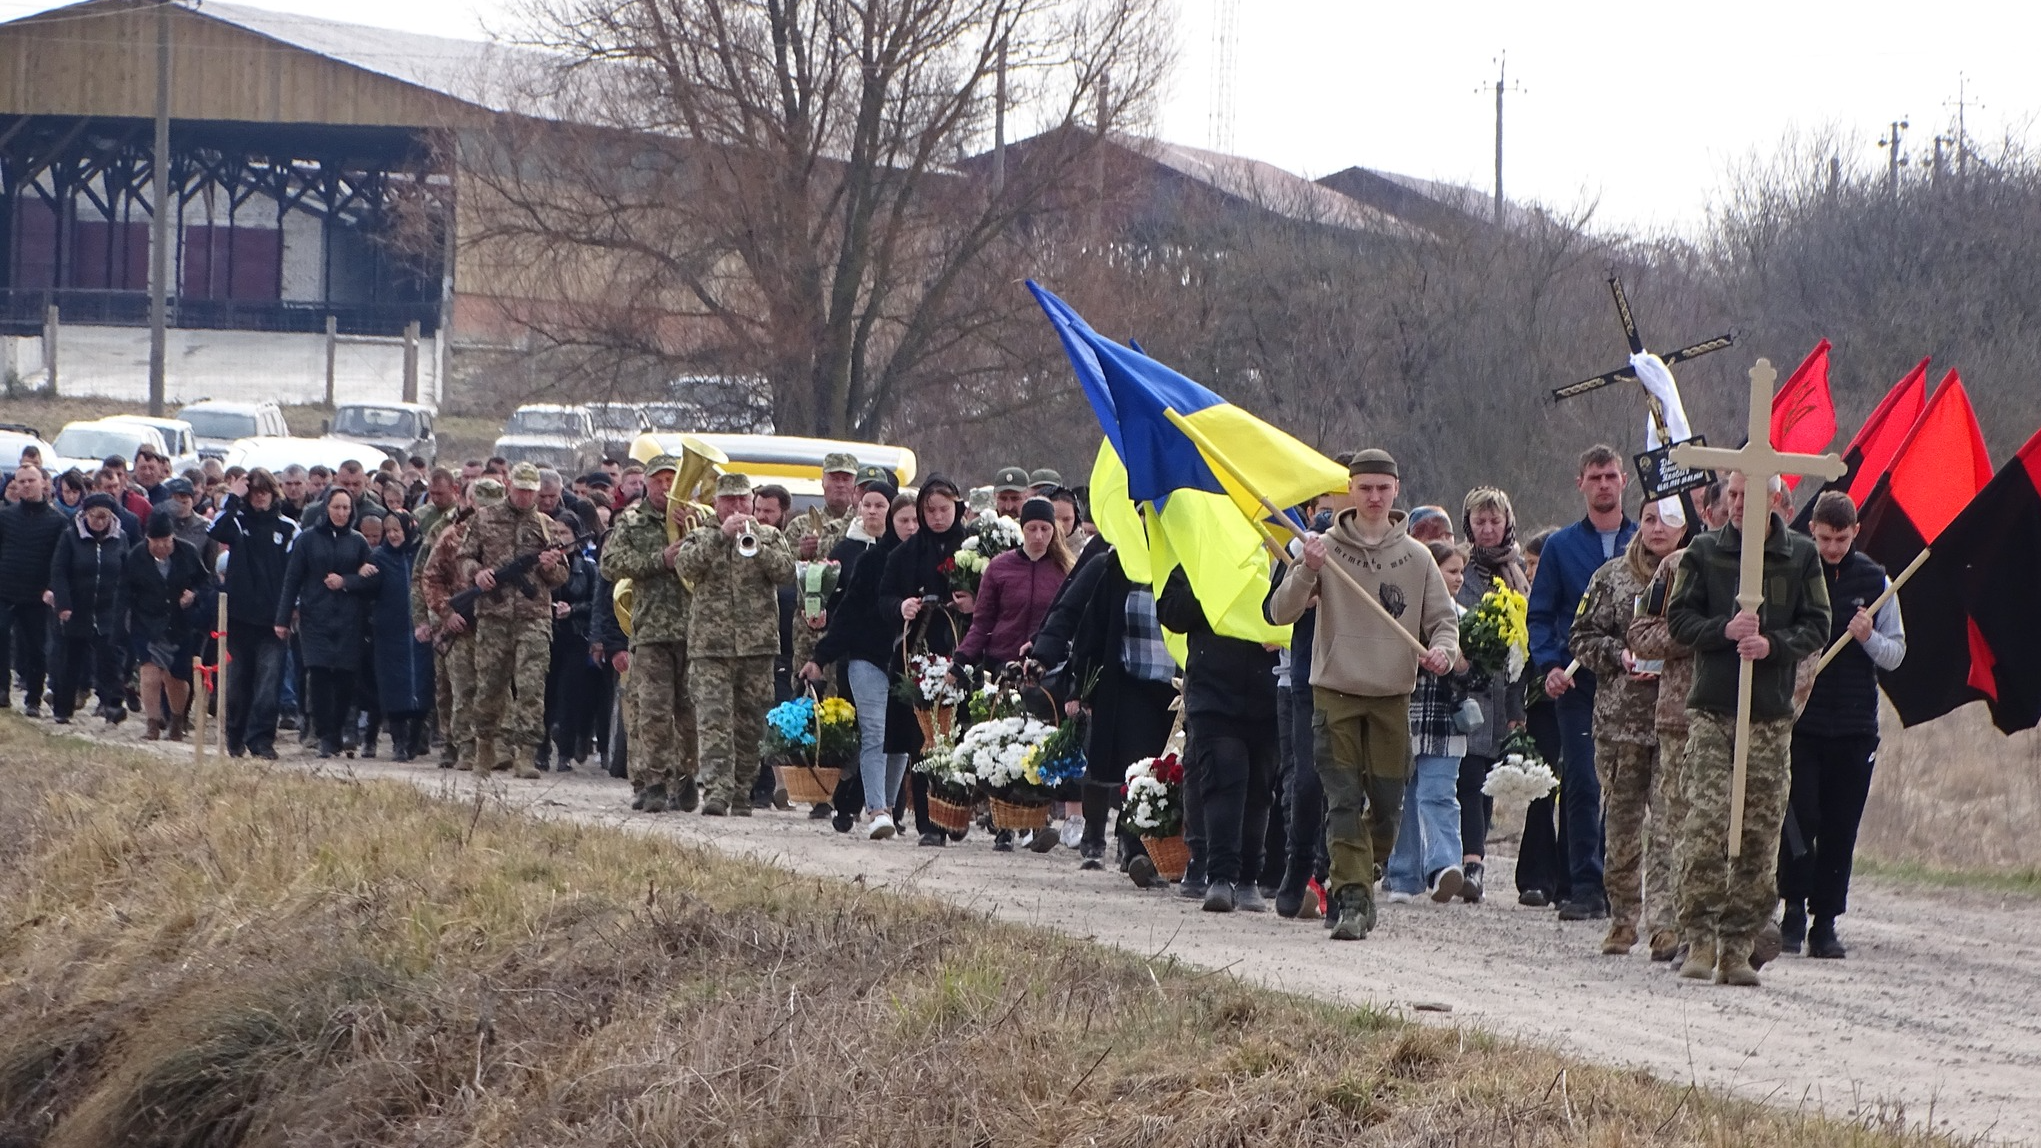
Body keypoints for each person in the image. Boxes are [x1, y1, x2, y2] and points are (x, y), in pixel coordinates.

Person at [1268, 449, 1459, 940]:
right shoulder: (1322, 547)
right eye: (1364, 487)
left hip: (1392, 696)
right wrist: (1306, 569)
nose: (1374, 497)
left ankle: (1355, 872)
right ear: (1349, 490)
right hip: (1335, 692)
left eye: (1383, 488)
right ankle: (1351, 901)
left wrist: (1441, 650)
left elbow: (1443, 621)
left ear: (1396, 490)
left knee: (1389, 805)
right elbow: (1281, 611)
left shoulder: (1416, 558)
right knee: (1343, 800)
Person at [1668, 471, 1829, 986]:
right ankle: (1698, 938)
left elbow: (1818, 624)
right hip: (1714, 710)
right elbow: (1678, 620)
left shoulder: (1800, 555)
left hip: (1769, 715)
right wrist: (1722, 630)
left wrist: (1773, 645)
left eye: (1749, 494)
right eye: (1731, 494)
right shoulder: (1703, 552)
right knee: (1707, 824)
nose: (1737, 503)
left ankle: (1738, 946)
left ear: (1776, 499)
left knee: (1759, 833)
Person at [1781, 491, 1906, 959]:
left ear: (1855, 532)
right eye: (1825, 538)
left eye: (1842, 538)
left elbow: (1896, 655)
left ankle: (1825, 920)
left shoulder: (1877, 581)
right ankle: (1792, 908)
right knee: (1800, 817)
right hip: (1802, 720)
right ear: (1812, 529)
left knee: (1840, 825)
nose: (1833, 547)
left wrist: (1869, 638)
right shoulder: (1794, 570)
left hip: (1855, 726)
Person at [1527, 445, 1638, 921]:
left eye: (1611, 476)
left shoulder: (1647, 540)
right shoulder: (1561, 547)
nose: (1604, 484)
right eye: (1595, 477)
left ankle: (1624, 881)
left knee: (1628, 786)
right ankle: (1586, 884)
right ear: (1581, 484)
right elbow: (1541, 613)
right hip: (1577, 684)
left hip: (1635, 684)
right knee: (1581, 782)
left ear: (1624, 482)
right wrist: (1549, 664)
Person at [1569, 500, 1683, 955]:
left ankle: (1665, 923)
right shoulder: (1612, 576)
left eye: (1669, 519)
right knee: (1621, 825)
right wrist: (1620, 655)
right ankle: (1622, 918)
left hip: (1675, 720)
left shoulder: (1697, 574)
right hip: (1621, 724)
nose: (1657, 528)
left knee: (1669, 826)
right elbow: (1581, 636)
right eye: (1650, 518)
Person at [1157, 564, 1280, 913]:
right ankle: (1220, 876)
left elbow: (1302, 605)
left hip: (1268, 690)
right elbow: (1170, 612)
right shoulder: (1201, 555)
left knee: (1259, 788)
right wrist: (1210, 582)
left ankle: (1249, 878)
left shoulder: (1280, 555)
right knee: (1222, 780)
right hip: (1213, 691)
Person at [676, 473, 796, 816]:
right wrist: (721, 537)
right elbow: (686, 568)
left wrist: (755, 544)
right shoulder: (700, 535)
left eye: (744, 500)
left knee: (751, 724)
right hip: (710, 648)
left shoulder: (769, 535)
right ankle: (716, 791)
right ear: (716, 504)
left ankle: (742, 791)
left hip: (757, 647)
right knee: (713, 721)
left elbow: (787, 573)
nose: (738, 507)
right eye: (729, 501)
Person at [805, 478, 912, 838]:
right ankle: (876, 809)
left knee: (901, 741)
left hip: (909, 663)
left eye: (915, 521)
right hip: (867, 657)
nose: (909, 528)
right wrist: (821, 656)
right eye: (904, 521)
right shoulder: (870, 560)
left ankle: (891, 806)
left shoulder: (929, 562)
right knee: (874, 733)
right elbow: (846, 612)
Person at [597, 455, 701, 812]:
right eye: (659, 480)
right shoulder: (632, 522)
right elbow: (610, 565)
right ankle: (654, 782)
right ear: (647, 484)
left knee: (690, 713)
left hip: (694, 631)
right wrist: (660, 560)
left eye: (674, 479)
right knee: (654, 712)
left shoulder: (698, 520)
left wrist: (692, 535)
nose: (667, 486)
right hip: (651, 631)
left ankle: (686, 777)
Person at [457, 462, 568, 778]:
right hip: (493, 615)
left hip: (534, 617)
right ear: (509, 486)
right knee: (490, 685)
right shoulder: (484, 519)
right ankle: (485, 749)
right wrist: (477, 574)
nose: (525, 496)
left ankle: (526, 754)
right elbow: (464, 557)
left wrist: (549, 566)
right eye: (520, 489)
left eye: (530, 491)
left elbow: (562, 576)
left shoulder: (546, 526)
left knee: (531, 686)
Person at [878, 475, 970, 844]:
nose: (936, 517)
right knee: (922, 737)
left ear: (957, 508)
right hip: (918, 651)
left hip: (964, 647)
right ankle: (929, 823)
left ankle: (958, 809)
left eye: (943, 509)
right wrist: (902, 606)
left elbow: (998, 597)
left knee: (961, 733)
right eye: (929, 510)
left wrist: (973, 604)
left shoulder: (974, 547)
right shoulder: (904, 554)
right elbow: (883, 598)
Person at [1383, 540, 1473, 905]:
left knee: (1438, 795)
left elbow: (1479, 678)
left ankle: (1444, 867)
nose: (1457, 578)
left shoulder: (1465, 617)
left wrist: (1462, 663)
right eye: (1449, 570)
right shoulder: (1396, 610)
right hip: (1401, 718)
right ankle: (1403, 876)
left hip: (1443, 725)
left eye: (1460, 571)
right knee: (1402, 799)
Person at [1454, 487, 1529, 904]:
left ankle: (1476, 854)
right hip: (1468, 687)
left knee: (1487, 781)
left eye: (1493, 521)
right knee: (1468, 776)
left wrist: (1519, 706)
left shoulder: (1516, 573)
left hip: (1507, 689)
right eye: (1479, 522)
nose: (1486, 529)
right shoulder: (1459, 571)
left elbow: (1524, 638)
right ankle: (1472, 862)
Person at [276, 487, 378, 758]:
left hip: (348, 619)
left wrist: (347, 581)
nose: (341, 513)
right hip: (315, 618)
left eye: (346, 508)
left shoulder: (358, 542)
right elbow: (292, 579)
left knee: (344, 678)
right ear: (325, 509)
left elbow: (372, 579)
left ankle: (339, 730)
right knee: (318, 676)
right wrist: (283, 618)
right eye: (336, 507)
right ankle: (324, 734)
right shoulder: (308, 540)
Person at [209, 468, 297, 758]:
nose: (259, 497)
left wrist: (290, 611)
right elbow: (216, 531)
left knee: (268, 684)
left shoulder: (287, 528)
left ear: (273, 493)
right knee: (235, 683)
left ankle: (261, 740)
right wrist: (233, 498)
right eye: (253, 492)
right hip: (237, 619)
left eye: (264, 491)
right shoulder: (236, 522)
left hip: (273, 620)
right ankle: (235, 737)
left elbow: (294, 573)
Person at [954, 497, 1072, 672]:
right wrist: (961, 658)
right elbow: (981, 622)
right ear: (1022, 529)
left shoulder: (1065, 571)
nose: (1038, 536)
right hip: (1001, 663)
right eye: (1032, 528)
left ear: (1053, 531)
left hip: (1045, 666)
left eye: (1045, 529)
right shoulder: (999, 567)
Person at [124, 509, 209, 741]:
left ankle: (177, 719)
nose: (161, 546)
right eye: (155, 542)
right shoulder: (135, 556)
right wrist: (121, 626)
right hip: (147, 623)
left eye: (166, 541)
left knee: (176, 678)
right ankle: (152, 723)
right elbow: (124, 593)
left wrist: (194, 595)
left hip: (179, 624)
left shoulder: (188, 552)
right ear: (147, 539)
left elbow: (204, 581)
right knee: (149, 674)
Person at [48, 493, 130, 725]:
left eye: (105, 517)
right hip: (77, 607)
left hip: (107, 608)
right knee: (71, 660)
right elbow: (59, 571)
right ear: (86, 514)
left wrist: (123, 605)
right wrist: (63, 604)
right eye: (96, 516)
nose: (100, 521)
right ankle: (63, 708)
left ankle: (113, 705)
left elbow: (126, 572)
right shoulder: (70, 536)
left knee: (109, 660)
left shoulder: (120, 538)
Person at [367, 510, 435, 762]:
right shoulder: (379, 557)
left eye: (398, 529)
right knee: (392, 687)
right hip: (390, 631)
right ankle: (397, 741)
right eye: (389, 530)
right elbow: (367, 588)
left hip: (420, 629)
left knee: (422, 685)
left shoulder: (423, 552)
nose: (394, 535)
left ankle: (414, 740)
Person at [0, 465, 66, 715]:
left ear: (43, 483)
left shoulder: (57, 521)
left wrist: (51, 588)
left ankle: (33, 699)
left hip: (36, 595)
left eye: (31, 480)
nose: (26, 485)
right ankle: (2, 690)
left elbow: (59, 561)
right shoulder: (5, 516)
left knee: (36, 648)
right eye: (21, 481)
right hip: (5, 590)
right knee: (1, 634)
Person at [541, 514, 600, 771]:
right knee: (544, 694)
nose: (559, 538)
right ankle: (540, 750)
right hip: (547, 636)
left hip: (576, 638)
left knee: (569, 696)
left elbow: (595, 604)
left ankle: (564, 753)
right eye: (554, 532)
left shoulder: (587, 568)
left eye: (564, 532)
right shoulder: (541, 565)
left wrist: (572, 609)